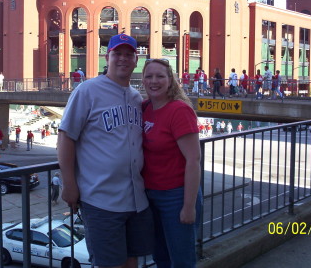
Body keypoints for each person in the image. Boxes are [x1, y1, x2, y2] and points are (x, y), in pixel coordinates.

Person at [57, 33, 153, 268]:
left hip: (137, 199)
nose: (123, 59)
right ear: (107, 57)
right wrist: (69, 185)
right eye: (117, 54)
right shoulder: (87, 90)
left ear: (135, 60)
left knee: (132, 261)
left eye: (128, 54)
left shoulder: (135, 97)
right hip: (101, 200)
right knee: (110, 264)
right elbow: (66, 138)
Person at [142, 58, 202, 268]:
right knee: (161, 258)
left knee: (181, 261)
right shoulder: (145, 108)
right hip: (151, 196)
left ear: (170, 80)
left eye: (160, 76)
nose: (154, 81)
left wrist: (188, 206)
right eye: (149, 76)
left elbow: (193, 160)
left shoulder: (178, 111)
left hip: (176, 196)